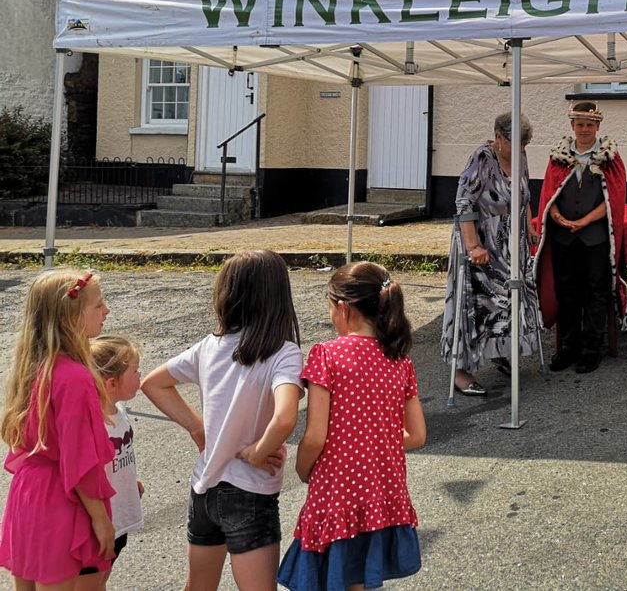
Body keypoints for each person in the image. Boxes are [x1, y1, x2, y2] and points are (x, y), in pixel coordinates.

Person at [141, 250, 303, 591]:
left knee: (199, 586)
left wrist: (198, 428)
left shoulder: (209, 346)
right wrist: (260, 450)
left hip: (204, 487)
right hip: (250, 491)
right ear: (278, 296)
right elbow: (286, 416)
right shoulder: (284, 353)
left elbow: (153, 383)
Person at [277, 261, 425, 590]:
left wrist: (303, 470)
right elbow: (416, 435)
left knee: (331, 577)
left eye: (330, 309)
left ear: (343, 309)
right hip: (382, 491)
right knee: (358, 578)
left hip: (336, 490)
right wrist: (373, 442)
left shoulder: (326, 355)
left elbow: (315, 436)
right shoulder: (400, 360)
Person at [0, 269, 116, 587]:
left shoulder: (32, 368)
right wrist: (100, 518)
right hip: (61, 501)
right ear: (71, 317)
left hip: (28, 495)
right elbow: (79, 460)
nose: (106, 310)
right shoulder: (74, 377)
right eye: (98, 305)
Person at [440, 113, 540, 396]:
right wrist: (473, 247)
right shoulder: (481, 159)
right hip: (481, 243)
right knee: (475, 306)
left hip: (510, 246)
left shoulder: (519, 155)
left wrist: (530, 225)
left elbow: (525, 194)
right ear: (499, 138)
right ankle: (461, 372)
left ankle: (500, 351)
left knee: (509, 302)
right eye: (517, 143)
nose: (522, 150)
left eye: (525, 144)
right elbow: (463, 203)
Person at [535, 101, 627, 374]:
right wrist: (556, 216)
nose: (584, 130)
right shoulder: (558, 156)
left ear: (598, 126)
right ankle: (568, 348)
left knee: (596, 293)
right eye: (579, 124)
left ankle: (591, 350)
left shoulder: (609, 157)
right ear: (572, 126)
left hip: (595, 237)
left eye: (589, 125)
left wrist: (585, 220)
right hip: (565, 238)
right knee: (567, 293)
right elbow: (548, 193)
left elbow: (615, 198)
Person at [80, 335, 145, 591]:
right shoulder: (94, 423)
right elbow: (85, 473)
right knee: (90, 581)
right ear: (111, 382)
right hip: (101, 522)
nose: (140, 376)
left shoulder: (119, 412)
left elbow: (117, 458)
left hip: (119, 515)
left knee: (102, 578)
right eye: (135, 371)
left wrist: (130, 480)